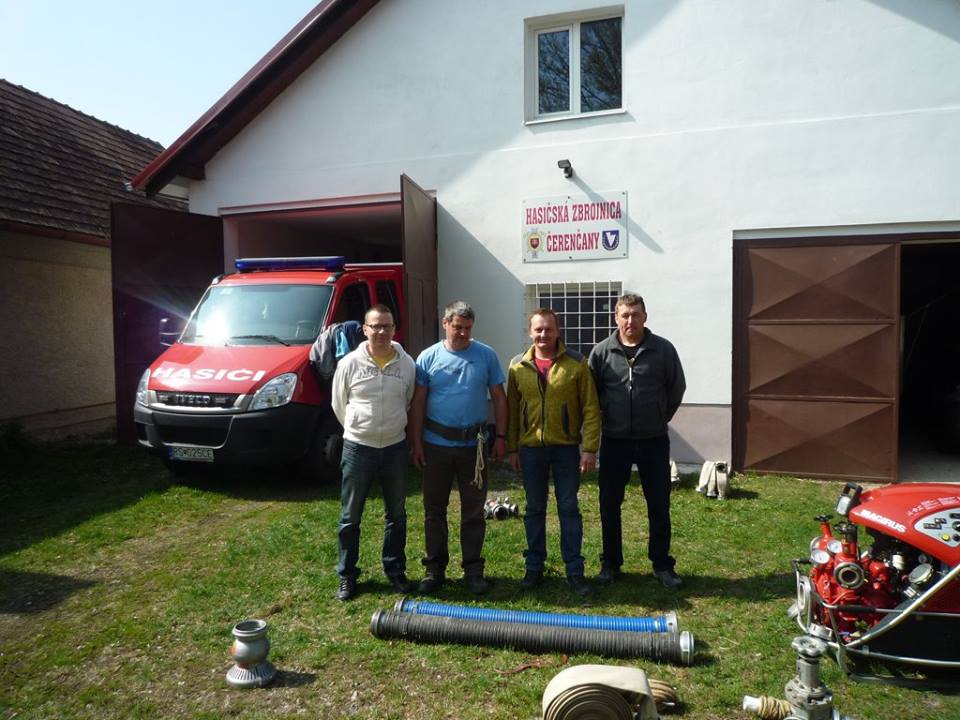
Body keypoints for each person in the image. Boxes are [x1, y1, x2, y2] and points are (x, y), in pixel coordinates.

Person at [588, 293, 686, 588]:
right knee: (609, 504)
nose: (630, 320)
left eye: (636, 314)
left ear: (645, 317)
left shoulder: (663, 350)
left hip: (653, 440)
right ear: (616, 318)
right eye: (625, 315)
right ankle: (610, 563)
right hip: (614, 440)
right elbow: (592, 395)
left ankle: (662, 564)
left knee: (659, 504)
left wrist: (658, 416)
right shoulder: (602, 352)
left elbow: (676, 387)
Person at [409, 300, 507, 594]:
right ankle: (434, 570)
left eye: (467, 328)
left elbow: (499, 398)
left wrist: (501, 437)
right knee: (434, 510)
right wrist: (416, 442)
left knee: (474, 511)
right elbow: (418, 402)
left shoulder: (486, 356)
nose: (462, 333)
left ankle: (473, 571)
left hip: (474, 449)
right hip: (436, 446)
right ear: (445, 324)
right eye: (457, 327)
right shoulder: (427, 358)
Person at [506, 309, 601, 596]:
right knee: (534, 509)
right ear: (529, 332)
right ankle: (534, 567)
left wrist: (589, 448)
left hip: (566, 449)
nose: (543, 334)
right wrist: (512, 448)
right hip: (531, 450)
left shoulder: (577, 363)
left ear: (558, 331)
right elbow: (512, 411)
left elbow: (591, 408)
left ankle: (574, 570)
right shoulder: (517, 366)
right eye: (538, 330)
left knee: (568, 508)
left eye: (548, 329)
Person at [331, 304, 416, 601]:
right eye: (375, 326)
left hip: (394, 448)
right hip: (358, 449)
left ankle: (395, 570)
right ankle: (347, 575)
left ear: (394, 329)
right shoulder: (349, 364)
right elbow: (339, 403)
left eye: (387, 326)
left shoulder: (407, 364)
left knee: (397, 514)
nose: (381, 331)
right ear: (365, 329)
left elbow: (407, 400)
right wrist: (359, 429)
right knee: (350, 516)